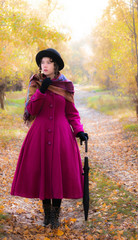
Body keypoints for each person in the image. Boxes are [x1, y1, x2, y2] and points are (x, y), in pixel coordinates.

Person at [11, 48, 88, 229]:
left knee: (58, 173)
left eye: (47, 62)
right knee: (43, 172)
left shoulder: (66, 86)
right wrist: (41, 92)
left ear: (55, 65)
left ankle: (56, 215)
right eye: (42, 62)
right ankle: (46, 213)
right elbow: (31, 110)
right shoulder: (36, 83)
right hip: (39, 134)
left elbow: (72, 113)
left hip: (62, 136)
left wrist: (79, 131)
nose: (44, 66)